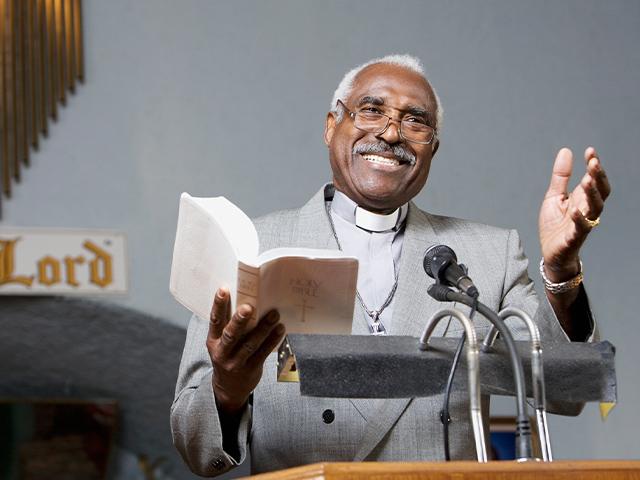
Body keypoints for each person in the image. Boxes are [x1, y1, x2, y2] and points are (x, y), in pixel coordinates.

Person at [170, 54, 610, 477]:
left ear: (432, 149)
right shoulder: (251, 250)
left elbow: (564, 390)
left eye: (415, 120)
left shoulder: (489, 254)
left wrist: (561, 270)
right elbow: (196, 450)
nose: (391, 133)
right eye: (371, 110)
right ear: (331, 126)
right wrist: (227, 390)